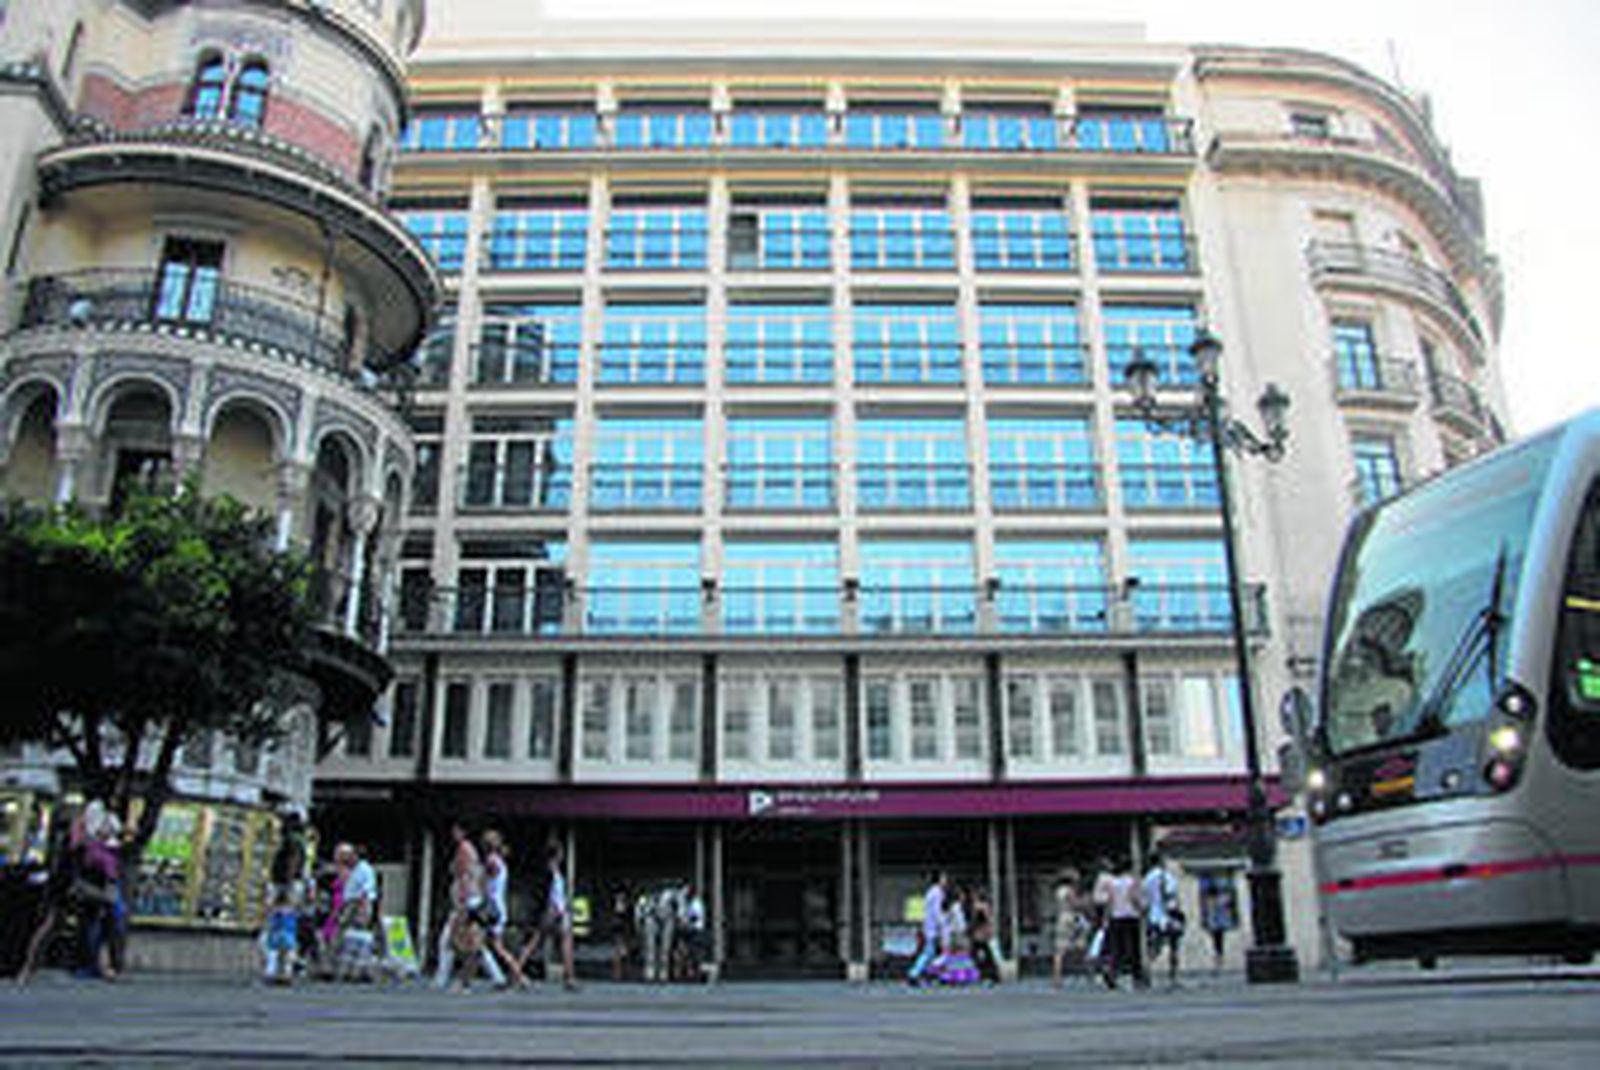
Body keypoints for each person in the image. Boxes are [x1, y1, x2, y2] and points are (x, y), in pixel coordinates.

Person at [518, 842, 577, 990]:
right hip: (553, 912)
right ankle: (569, 978)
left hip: (553, 912)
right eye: (560, 853)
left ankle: (516, 970)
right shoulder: (550, 873)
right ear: (555, 855)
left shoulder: (553, 872)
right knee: (564, 942)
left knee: (535, 942)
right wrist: (555, 910)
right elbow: (549, 894)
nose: (562, 856)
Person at [481, 831, 525, 988]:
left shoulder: (491, 861)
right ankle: (508, 976)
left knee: (497, 946)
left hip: (493, 907)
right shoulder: (500, 862)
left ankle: (518, 976)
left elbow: (484, 882)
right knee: (490, 944)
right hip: (498, 906)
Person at [1093, 857, 1145, 990]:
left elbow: (1110, 901)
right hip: (1130, 916)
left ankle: (1113, 972)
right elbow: (1134, 898)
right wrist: (1141, 909)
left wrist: (1107, 917)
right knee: (1133, 947)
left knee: (1117, 948)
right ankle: (1136, 976)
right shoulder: (1132, 881)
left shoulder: (1113, 883)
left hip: (1116, 917)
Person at [1142, 851, 1184, 987]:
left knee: (1154, 947)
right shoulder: (1167, 876)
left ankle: (1147, 971)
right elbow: (1172, 895)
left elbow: (1145, 898)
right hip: (1168, 916)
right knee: (1174, 946)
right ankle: (1173, 976)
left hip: (1153, 917)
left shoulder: (1147, 878)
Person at [906, 869, 947, 986]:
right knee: (928, 953)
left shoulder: (930, 892)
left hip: (928, 926)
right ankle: (914, 973)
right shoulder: (938, 892)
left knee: (931, 953)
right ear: (938, 879)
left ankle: (928, 974)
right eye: (943, 878)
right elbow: (936, 911)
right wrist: (942, 924)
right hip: (932, 928)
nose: (945, 881)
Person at [1050, 869, 1088, 988]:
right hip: (1070, 918)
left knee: (1059, 950)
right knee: (1079, 945)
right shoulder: (1068, 891)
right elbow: (1075, 904)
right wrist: (1084, 902)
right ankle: (1086, 971)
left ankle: (1057, 978)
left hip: (1061, 917)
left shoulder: (1058, 891)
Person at [1198, 873, 1239, 975]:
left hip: (1218, 905)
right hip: (1216, 905)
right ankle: (1218, 956)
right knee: (1217, 933)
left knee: (1217, 933)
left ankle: (1218, 956)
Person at [968, 887, 1001, 985]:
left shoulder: (979, 907)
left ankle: (988, 975)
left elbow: (979, 921)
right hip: (982, 934)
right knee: (985, 954)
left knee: (980, 954)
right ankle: (991, 975)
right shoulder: (985, 906)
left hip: (980, 934)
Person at [610, 886, 634, 981]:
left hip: (624, 926)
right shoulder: (619, 903)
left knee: (625, 951)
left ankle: (623, 973)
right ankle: (618, 973)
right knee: (619, 951)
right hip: (620, 926)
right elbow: (619, 912)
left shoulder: (626, 904)